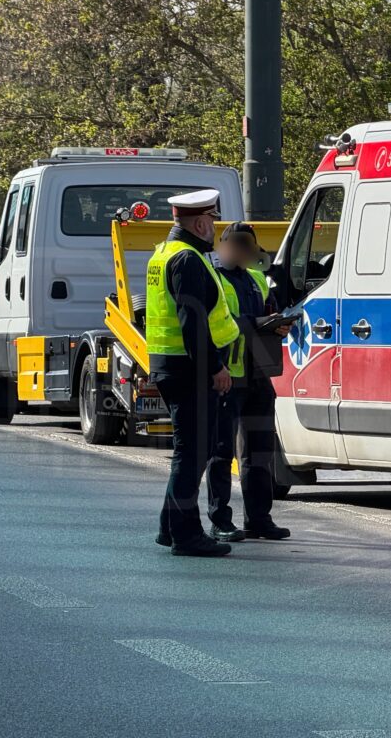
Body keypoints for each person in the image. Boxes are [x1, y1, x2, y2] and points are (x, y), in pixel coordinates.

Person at [146, 189, 240, 557]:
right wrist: (214, 367)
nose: (214, 227)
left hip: (171, 365)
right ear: (200, 222)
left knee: (189, 452)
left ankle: (170, 528)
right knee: (193, 454)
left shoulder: (164, 253)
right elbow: (193, 323)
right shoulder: (187, 259)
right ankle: (186, 535)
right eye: (213, 221)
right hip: (189, 369)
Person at [208, 221, 293, 542]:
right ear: (224, 246)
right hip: (228, 376)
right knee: (221, 452)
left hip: (258, 375)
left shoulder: (257, 279)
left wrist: (278, 323)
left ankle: (259, 519)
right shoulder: (214, 279)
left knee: (259, 452)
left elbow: (269, 312)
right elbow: (216, 323)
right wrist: (257, 322)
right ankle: (219, 520)